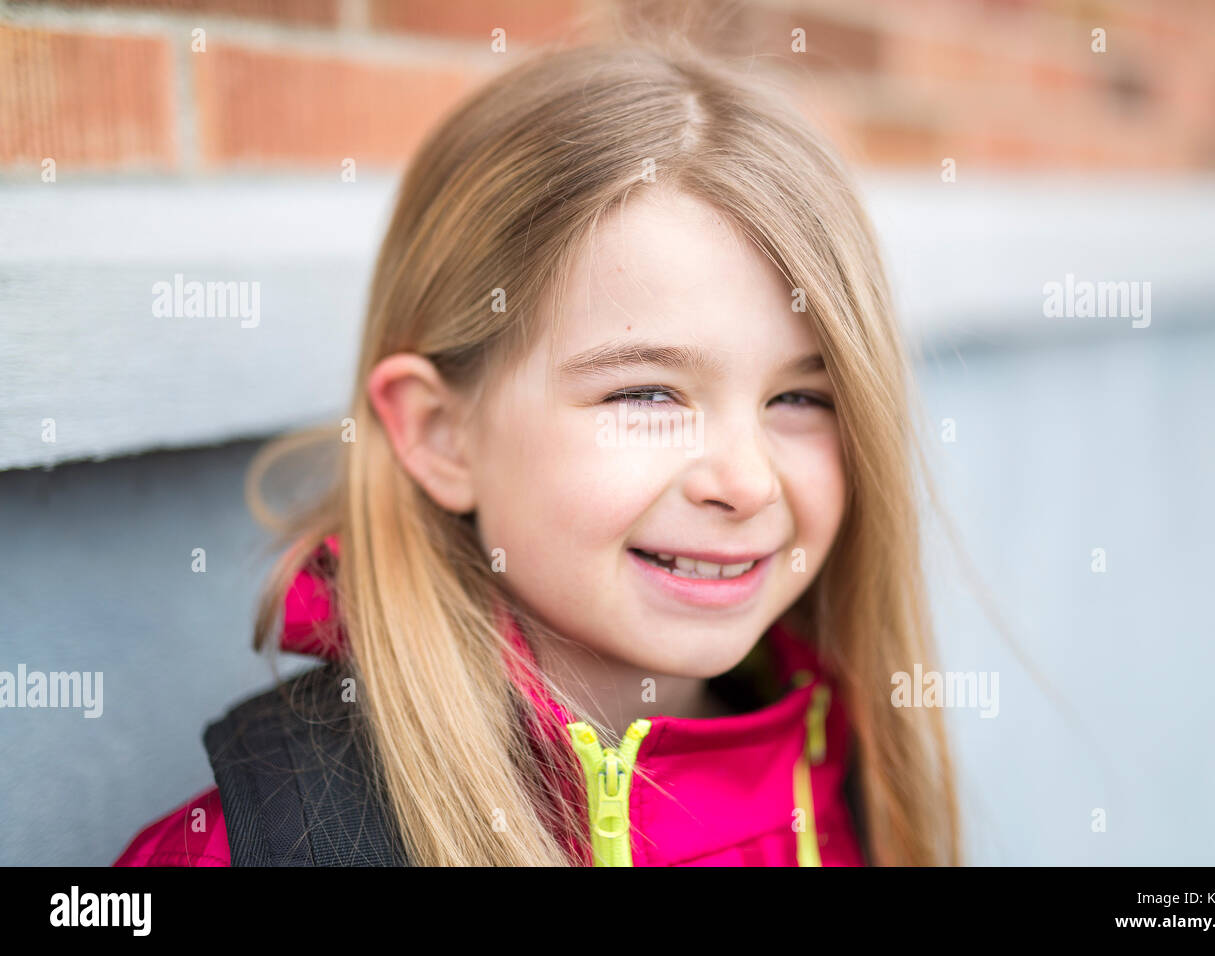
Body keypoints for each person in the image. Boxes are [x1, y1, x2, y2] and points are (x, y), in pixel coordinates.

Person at [115, 36, 960, 867]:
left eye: (801, 397)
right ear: (440, 434)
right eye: (646, 394)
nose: (744, 482)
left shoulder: (850, 790)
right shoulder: (262, 847)